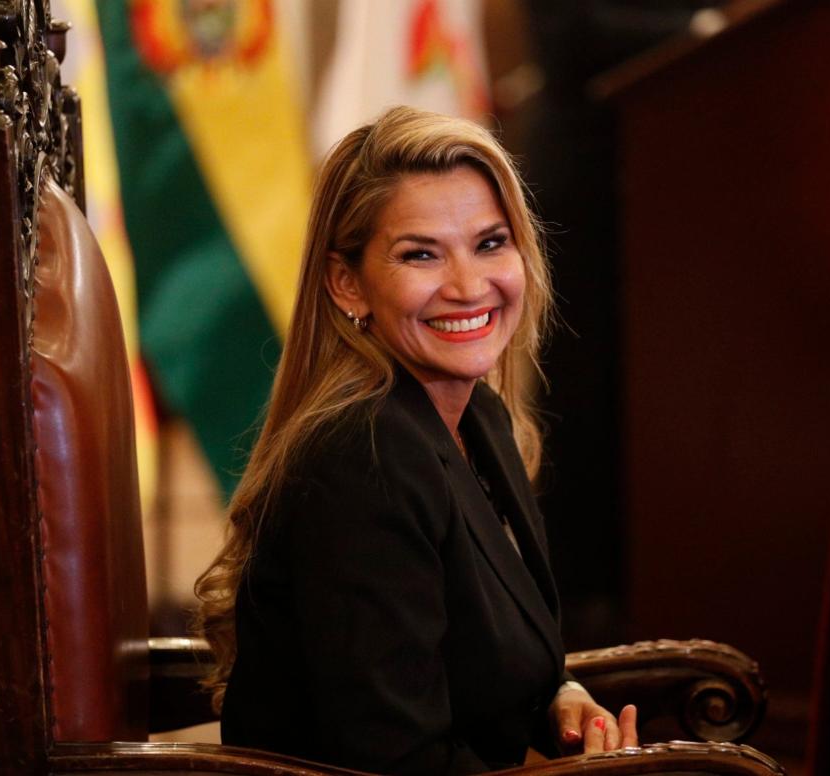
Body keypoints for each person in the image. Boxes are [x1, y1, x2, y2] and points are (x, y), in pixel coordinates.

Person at [194, 106, 637, 775]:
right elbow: (400, 760)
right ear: (348, 284)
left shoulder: (476, 418)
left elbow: (469, 657)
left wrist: (557, 697)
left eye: (490, 243)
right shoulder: (364, 460)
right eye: (421, 254)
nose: (467, 286)